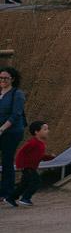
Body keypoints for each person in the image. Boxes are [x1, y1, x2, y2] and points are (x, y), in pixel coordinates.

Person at [9, 121, 53, 207]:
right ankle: (25, 198)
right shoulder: (33, 142)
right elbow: (20, 153)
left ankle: (11, 198)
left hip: (31, 167)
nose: (47, 131)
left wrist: (49, 157)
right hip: (28, 167)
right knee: (36, 181)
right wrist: (20, 165)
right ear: (36, 132)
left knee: (24, 184)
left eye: (47, 129)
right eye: (45, 129)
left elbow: (40, 156)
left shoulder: (40, 144)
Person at [0, 66, 26, 205]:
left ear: (12, 79)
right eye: (1, 77)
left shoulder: (17, 94)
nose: (3, 80)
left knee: (7, 160)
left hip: (12, 131)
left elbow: (16, 114)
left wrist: (2, 129)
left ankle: (6, 192)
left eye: (6, 78)